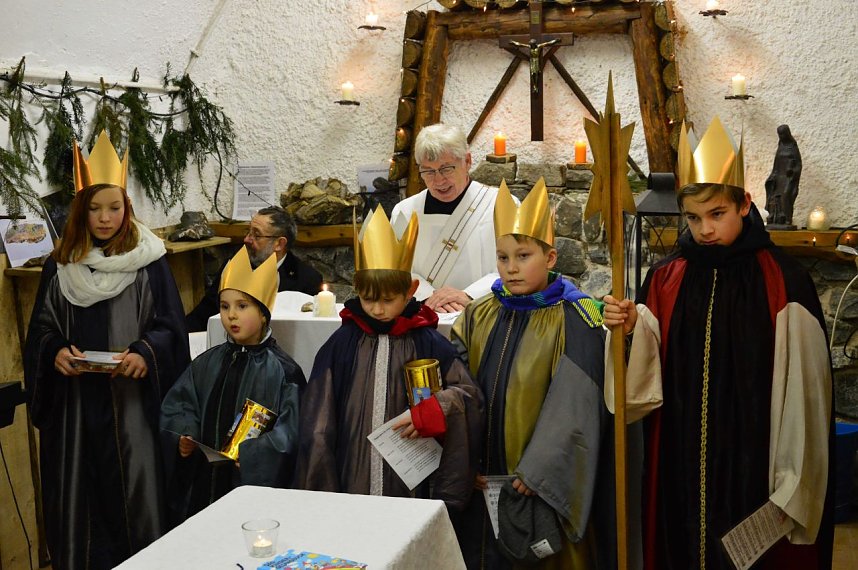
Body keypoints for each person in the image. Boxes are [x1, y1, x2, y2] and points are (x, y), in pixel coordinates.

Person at [603, 117, 833, 569]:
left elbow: (806, 391)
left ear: (744, 204)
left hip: (753, 452)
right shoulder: (667, 277)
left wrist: (792, 477)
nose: (704, 229)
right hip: (680, 450)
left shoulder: (783, 280)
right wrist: (631, 330)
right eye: (693, 218)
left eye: (716, 214)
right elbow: (645, 376)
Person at [24, 131, 191, 569]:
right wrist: (54, 350)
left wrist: (145, 352)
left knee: (136, 499)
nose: (105, 218)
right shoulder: (60, 264)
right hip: (76, 408)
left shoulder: (149, 261)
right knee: (83, 503)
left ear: (126, 208)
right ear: (81, 210)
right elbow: (42, 327)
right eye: (95, 208)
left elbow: (171, 327)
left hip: (132, 406)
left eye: (114, 207)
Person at [452, 178, 612, 570]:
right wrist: (465, 457)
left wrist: (539, 469)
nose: (511, 268)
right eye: (502, 257)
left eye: (523, 256)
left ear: (551, 257)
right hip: (483, 476)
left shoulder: (576, 317)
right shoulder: (478, 314)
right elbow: (458, 386)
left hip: (539, 478)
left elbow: (578, 403)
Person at [294, 206, 483, 513]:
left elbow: (469, 397)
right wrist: (321, 488)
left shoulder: (428, 341)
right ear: (357, 290)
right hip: (353, 471)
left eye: (388, 300)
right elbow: (319, 418)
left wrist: (433, 410)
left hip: (411, 479)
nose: (378, 309)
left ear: (410, 291)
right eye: (368, 299)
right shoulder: (342, 344)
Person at [160, 247, 303, 525]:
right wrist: (185, 434)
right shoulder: (207, 362)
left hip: (248, 486)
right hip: (205, 483)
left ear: (263, 313)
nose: (231, 315)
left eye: (242, 306)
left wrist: (255, 454)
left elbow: (291, 432)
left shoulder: (284, 372)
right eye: (224, 307)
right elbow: (181, 403)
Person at [391, 123, 510, 313]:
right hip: (425, 312)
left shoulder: (501, 205)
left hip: (486, 313)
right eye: (428, 171)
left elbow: (517, 266)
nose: (438, 180)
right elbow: (395, 269)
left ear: (467, 161)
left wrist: (469, 295)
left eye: (446, 169)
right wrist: (428, 296)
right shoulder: (404, 212)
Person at [185, 206, 323, 331]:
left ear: (279, 244)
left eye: (256, 235)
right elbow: (203, 314)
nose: (246, 239)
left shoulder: (306, 279)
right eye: (248, 232)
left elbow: (310, 331)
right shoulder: (235, 267)